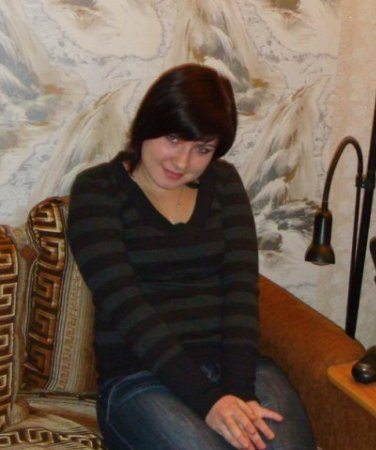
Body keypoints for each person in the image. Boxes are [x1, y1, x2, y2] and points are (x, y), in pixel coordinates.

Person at [67, 63, 316, 450]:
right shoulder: (97, 190)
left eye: (202, 149)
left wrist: (238, 394)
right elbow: (127, 308)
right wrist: (208, 401)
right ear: (148, 124)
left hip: (235, 370)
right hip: (141, 378)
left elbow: (240, 292)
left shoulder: (224, 183)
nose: (182, 162)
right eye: (173, 138)